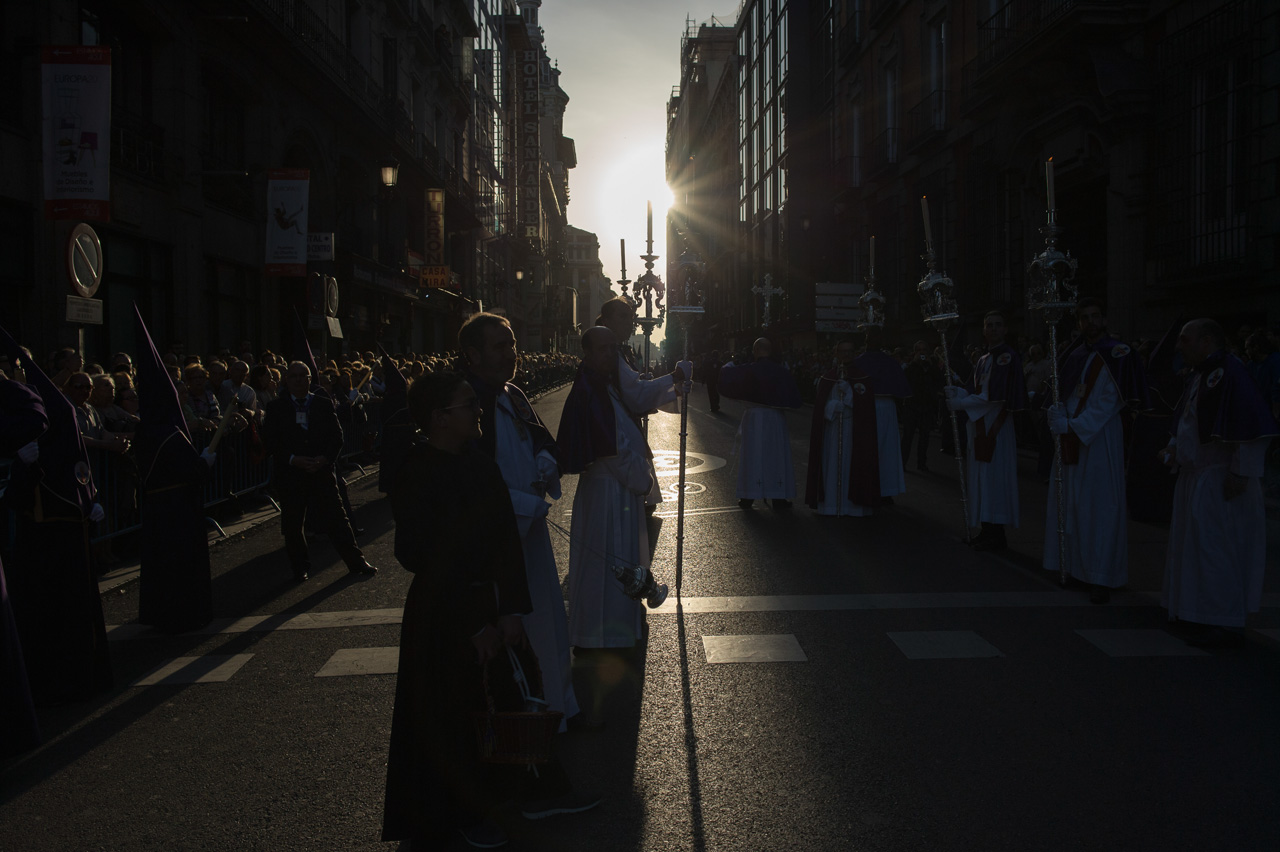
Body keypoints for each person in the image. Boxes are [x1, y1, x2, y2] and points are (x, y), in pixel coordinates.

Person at [382, 372, 596, 850]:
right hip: (446, 612)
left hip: (491, 603)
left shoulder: (479, 464)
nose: (478, 410)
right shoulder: (416, 472)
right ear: (439, 418)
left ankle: (533, 793)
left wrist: (513, 609)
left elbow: (504, 544)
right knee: (451, 714)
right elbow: (421, 555)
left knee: (512, 700)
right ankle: (456, 816)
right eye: (467, 405)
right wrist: (474, 624)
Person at [460, 313, 579, 730]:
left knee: (547, 618)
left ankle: (559, 708)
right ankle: (524, 725)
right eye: (500, 346)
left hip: (531, 531)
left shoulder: (513, 394)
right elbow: (468, 483)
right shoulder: (467, 403)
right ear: (473, 355)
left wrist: (544, 460)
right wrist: (524, 504)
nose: (511, 353)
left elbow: (541, 438)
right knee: (514, 627)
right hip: (497, 539)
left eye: (512, 344)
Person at [1, 326, 112, 706]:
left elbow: (72, 456)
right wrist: (22, 468)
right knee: (47, 611)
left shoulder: (45, 403)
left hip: (67, 526)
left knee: (73, 610)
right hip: (42, 531)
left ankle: (77, 675)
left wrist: (89, 496)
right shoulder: (21, 407)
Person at [1161, 319, 1277, 646]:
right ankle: (1195, 611)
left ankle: (1223, 621)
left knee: (1217, 551)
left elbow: (1251, 427)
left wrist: (1241, 472)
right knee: (1195, 550)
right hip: (1195, 477)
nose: (1178, 346)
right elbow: (1187, 420)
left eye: (1185, 339)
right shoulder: (1199, 375)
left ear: (1206, 341)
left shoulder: (1231, 372)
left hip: (1218, 478)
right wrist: (1173, 448)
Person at [557, 327, 668, 654]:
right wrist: (644, 479)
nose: (610, 354)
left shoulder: (603, 384)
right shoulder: (591, 389)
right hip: (609, 489)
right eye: (603, 349)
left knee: (616, 557)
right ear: (588, 353)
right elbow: (613, 450)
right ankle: (598, 636)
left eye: (613, 348)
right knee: (606, 559)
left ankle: (612, 632)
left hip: (616, 488)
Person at [1043, 298, 1150, 603]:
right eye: (1084, 317)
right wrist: (1058, 414)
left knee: (1100, 507)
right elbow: (1065, 393)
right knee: (1073, 504)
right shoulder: (1074, 354)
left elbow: (1111, 402)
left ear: (1103, 319)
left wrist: (1073, 425)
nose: (1090, 322)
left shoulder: (1119, 353)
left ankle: (1102, 576)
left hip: (1100, 438)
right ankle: (1076, 568)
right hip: (1071, 436)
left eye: (1095, 316)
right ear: (1079, 323)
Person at [134, 307, 218, 633]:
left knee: (161, 563)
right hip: (178, 508)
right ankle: (183, 613)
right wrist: (205, 461)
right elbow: (191, 471)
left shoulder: (147, 429)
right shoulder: (170, 434)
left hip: (157, 508)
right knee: (181, 562)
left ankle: (162, 612)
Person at [260, 361, 376, 582]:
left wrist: (325, 458)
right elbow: (271, 441)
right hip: (292, 474)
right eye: (293, 376)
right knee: (294, 525)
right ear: (287, 380)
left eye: (303, 376)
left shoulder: (322, 402)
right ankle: (300, 567)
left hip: (321, 471)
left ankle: (356, 561)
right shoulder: (276, 407)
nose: (298, 380)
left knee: (337, 519)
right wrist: (293, 459)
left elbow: (336, 436)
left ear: (309, 379)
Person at [945, 311, 1027, 551]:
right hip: (979, 424)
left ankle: (997, 532)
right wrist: (958, 392)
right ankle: (986, 528)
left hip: (996, 426)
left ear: (1005, 329)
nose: (993, 329)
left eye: (998, 325)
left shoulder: (1007, 357)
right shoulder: (982, 359)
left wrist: (961, 403)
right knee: (981, 478)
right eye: (989, 325)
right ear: (983, 330)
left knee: (995, 478)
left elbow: (994, 397)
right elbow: (976, 390)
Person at [596, 297, 688, 512]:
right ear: (606, 321)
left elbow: (631, 387)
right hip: (615, 433)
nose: (630, 322)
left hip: (623, 426)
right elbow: (635, 395)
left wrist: (650, 383)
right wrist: (674, 377)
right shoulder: (607, 354)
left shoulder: (618, 351)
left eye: (631, 317)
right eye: (623, 316)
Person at [719, 337, 803, 509]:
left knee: (753, 454)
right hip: (775, 418)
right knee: (776, 456)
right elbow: (795, 397)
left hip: (755, 417)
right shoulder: (781, 371)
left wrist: (729, 364)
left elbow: (726, 376)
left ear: (756, 351)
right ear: (770, 351)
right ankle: (778, 497)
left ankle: (748, 495)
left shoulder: (748, 370)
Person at [805, 340, 880, 516]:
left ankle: (853, 506)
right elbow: (819, 408)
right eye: (843, 351)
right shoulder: (827, 378)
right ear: (836, 353)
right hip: (833, 430)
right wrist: (832, 406)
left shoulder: (862, 378)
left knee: (853, 464)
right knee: (832, 465)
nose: (846, 355)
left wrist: (849, 396)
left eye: (849, 351)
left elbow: (866, 408)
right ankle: (831, 504)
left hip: (854, 429)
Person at [855, 331, 913, 502]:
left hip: (870, 406)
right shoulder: (889, 362)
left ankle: (876, 489)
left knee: (879, 449)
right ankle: (879, 489)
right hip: (874, 407)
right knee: (880, 449)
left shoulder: (859, 362)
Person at [901, 340, 943, 472]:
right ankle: (902, 462)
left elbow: (939, 380)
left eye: (924, 350)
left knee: (925, 436)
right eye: (919, 350)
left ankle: (922, 463)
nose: (922, 353)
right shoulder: (911, 367)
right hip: (912, 406)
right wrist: (915, 363)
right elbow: (906, 381)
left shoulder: (931, 367)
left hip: (927, 406)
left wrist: (930, 365)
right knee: (908, 436)